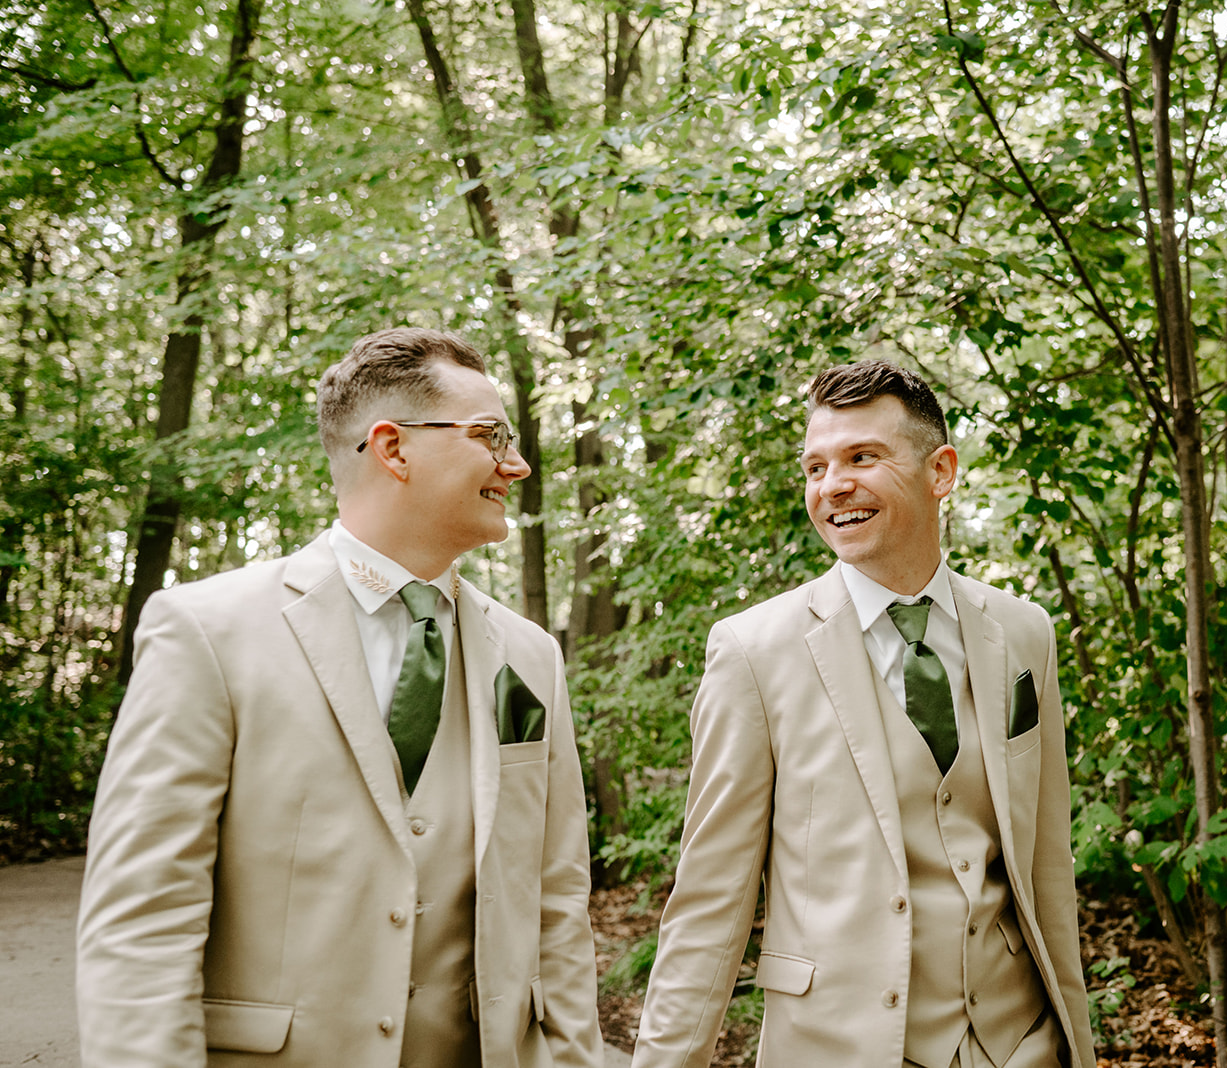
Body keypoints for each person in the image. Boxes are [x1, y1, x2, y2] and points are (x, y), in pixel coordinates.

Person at [77, 327, 603, 1068]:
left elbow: (556, 906)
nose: (514, 464)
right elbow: (141, 924)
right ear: (393, 449)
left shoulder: (530, 656)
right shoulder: (207, 632)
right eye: (491, 436)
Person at [631, 361, 1095, 1068]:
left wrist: (1072, 1043)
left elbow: (1046, 865)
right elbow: (709, 904)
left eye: (862, 458)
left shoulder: (1023, 631)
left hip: (1021, 1042)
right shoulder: (754, 652)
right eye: (815, 467)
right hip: (840, 1048)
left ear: (941, 471)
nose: (832, 486)